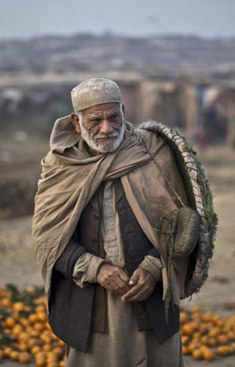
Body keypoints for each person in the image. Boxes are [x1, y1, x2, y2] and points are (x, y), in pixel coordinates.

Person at [32, 78, 208, 367]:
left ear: (124, 111)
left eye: (114, 117)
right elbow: (48, 240)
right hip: (91, 308)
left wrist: (154, 267)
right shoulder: (60, 167)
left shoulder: (152, 152)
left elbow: (182, 222)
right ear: (76, 122)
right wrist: (95, 268)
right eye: (95, 120)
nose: (107, 128)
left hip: (152, 301)